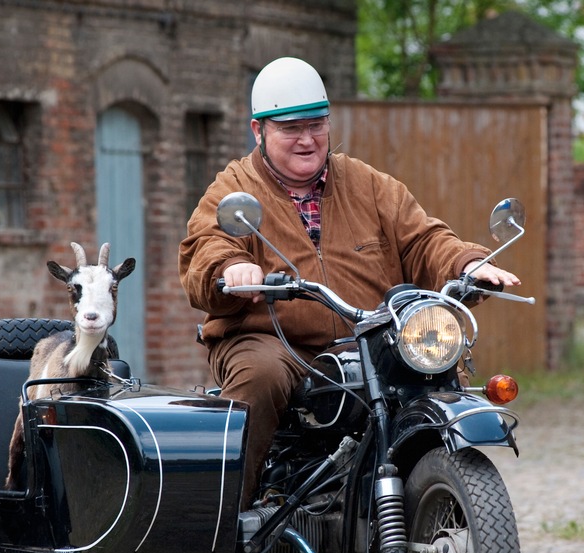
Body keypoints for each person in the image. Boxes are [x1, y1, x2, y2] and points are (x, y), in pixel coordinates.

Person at [180, 56, 520, 509]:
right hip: (273, 338)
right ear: (258, 131)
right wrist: (231, 269)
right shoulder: (233, 190)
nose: (307, 139)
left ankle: (427, 493)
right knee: (258, 378)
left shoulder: (367, 183)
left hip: (369, 337)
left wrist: (466, 263)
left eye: (316, 124)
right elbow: (206, 247)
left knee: (435, 373)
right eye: (289, 128)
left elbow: (422, 238)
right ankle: (225, 524)